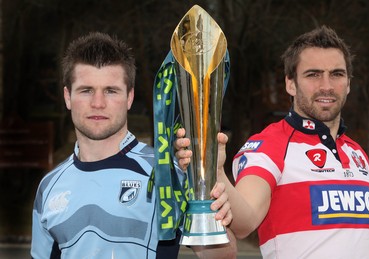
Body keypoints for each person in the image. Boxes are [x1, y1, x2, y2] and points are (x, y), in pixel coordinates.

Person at [176, 26, 369, 258]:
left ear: (348, 83)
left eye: (337, 74)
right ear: (290, 84)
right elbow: (245, 220)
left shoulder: (357, 153)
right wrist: (215, 171)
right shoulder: (269, 145)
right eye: (313, 74)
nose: (326, 85)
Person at [30, 32, 235, 259]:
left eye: (111, 90)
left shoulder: (167, 173)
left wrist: (211, 206)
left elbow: (223, 256)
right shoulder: (49, 187)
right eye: (86, 90)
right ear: (68, 97)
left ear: (129, 97)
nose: (98, 103)